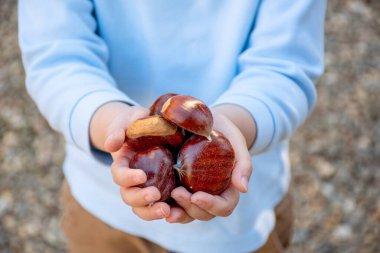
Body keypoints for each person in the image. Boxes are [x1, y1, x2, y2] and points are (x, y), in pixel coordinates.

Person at [18, 1, 326, 252]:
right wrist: (110, 123)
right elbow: (56, 58)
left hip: (242, 217)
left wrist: (237, 125)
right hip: (104, 206)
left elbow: (284, 67)